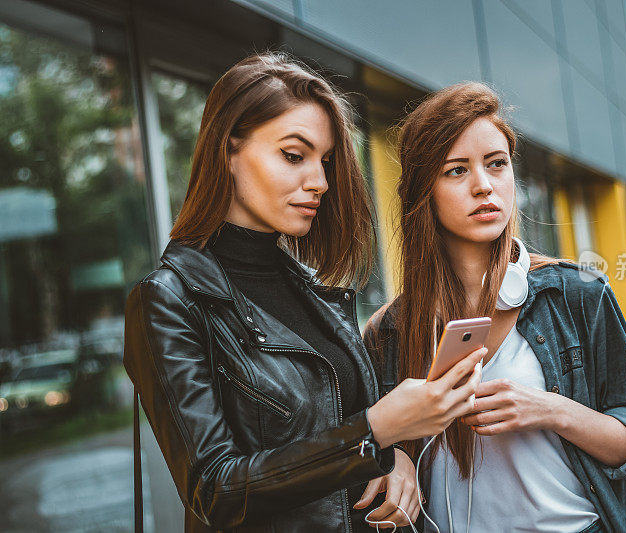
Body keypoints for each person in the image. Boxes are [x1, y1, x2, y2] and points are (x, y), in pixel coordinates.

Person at [122, 52, 484, 533]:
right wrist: (374, 432)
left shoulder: (315, 293)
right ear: (229, 150)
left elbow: (336, 425)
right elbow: (214, 490)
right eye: (294, 156)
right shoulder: (169, 301)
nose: (319, 182)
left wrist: (389, 456)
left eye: (326, 161)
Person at [363, 82, 626, 533]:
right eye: (455, 171)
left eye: (496, 164)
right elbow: (365, 442)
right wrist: (393, 458)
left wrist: (550, 409)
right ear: (421, 191)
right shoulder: (391, 330)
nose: (484, 185)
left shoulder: (576, 293)